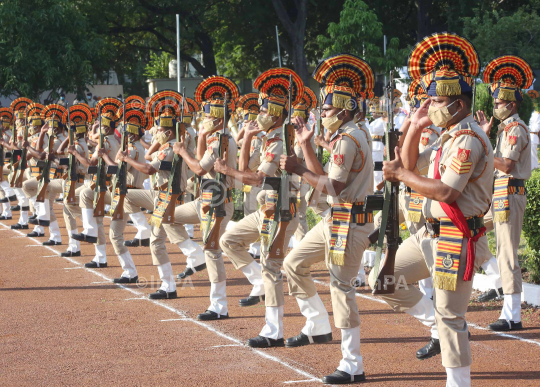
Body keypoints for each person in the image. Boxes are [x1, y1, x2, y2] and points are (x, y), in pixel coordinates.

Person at [379, 32, 492, 387]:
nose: (432, 106)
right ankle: (434, 325)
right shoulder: (446, 137)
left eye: (438, 100)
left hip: (455, 237)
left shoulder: (468, 139)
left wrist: (401, 174)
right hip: (428, 235)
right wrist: (414, 126)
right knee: (384, 282)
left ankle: (458, 383)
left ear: (458, 103)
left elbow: (445, 191)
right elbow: (409, 161)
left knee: (451, 316)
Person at [281, 53, 375, 384]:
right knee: (293, 263)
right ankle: (318, 324)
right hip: (336, 219)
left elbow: (331, 185)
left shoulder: (348, 138)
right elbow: (323, 176)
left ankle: (353, 363)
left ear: (345, 108)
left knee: (341, 289)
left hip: (351, 221)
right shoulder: (347, 133)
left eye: (328, 108)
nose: (322, 112)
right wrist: (306, 145)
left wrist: (297, 169)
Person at [217, 68, 304, 340]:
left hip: (281, 209)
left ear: (277, 114)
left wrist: (227, 171)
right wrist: (249, 137)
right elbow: (246, 167)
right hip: (265, 208)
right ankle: (259, 283)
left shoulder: (280, 141)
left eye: (264, 111)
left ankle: (274, 330)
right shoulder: (267, 138)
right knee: (229, 240)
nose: (259, 115)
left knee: (273, 267)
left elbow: (254, 178)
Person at [172, 77, 240, 317]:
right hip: (205, 201)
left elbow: (199, 169)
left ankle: (219, 306)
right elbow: (201, 160)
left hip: (219, 202)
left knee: (212, 250)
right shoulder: (212, 138)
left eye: (208, 117)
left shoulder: (222, 141)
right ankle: (194, 255)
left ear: (219, 120)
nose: (203, 119)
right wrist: (200, 137)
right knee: (167, 216)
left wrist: (182, 151)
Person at [475, 55, 533, 331]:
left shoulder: (515, 129)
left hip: (509, 193)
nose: (494, 106)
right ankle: (497, 284)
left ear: (511, 104)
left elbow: (507, 164)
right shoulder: (505, 128)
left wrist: (484, 144)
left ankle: (513, 315)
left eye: (498, 103)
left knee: (508, 253)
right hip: (499, 193)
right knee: (471, 228)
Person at [527, 90, 540, 170]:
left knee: (533, 155)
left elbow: (537, 127)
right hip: (526, 136)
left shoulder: (537, 114)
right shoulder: (526, 113)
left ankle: (535, 169)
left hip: (533, 136)